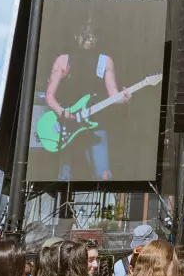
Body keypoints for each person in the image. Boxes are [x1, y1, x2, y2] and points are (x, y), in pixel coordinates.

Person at [44, 20, 126, 181]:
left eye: (94, 36)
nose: (90, 39)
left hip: (96, 122)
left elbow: (113, 95)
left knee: (104, 175)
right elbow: (49, 95)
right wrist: (63, 113)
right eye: (85, 35)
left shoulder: (105, 61)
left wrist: (124, 98)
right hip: (68, 125)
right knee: (65, 174)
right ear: (76, 37)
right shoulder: (63, 60)